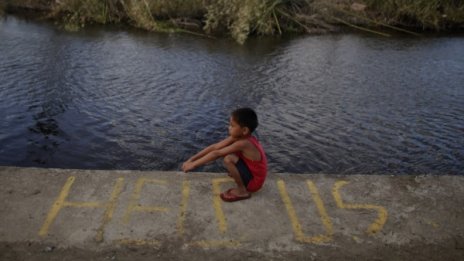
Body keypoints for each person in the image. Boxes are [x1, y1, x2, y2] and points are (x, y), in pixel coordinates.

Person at [182, 107, 267, 202]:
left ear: (244, 130)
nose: (229, 127)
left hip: (254, 183)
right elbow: (215, 147)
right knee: (229, 154)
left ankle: (242, 191)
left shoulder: (244, 143)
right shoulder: (238, 137)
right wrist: (191, 159)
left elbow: (216, 153)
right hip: (252, 174)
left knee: (228, 158)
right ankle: (241, 178)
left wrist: (193, 165)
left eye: (232, 125)